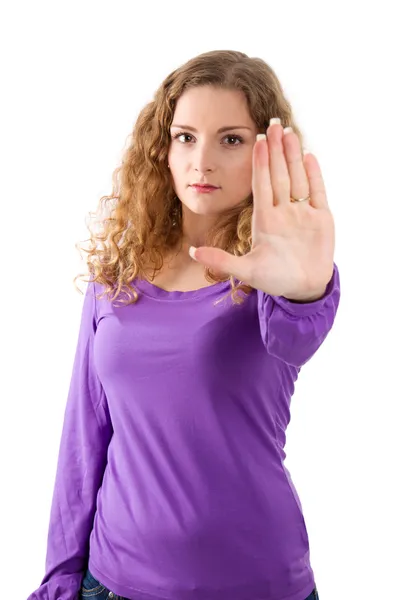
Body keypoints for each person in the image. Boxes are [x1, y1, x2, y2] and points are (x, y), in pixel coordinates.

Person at [28, 50, 340, 600]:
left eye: (231, 139)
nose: (203, 162)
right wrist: (59, 576)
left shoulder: (277, 275)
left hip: (256, 582)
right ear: (162, 149)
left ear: (267, 155)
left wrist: (303, 288)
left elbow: (296, 338)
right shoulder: (118, 276)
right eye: (186, 137)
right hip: (115, 581)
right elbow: (84, 435)